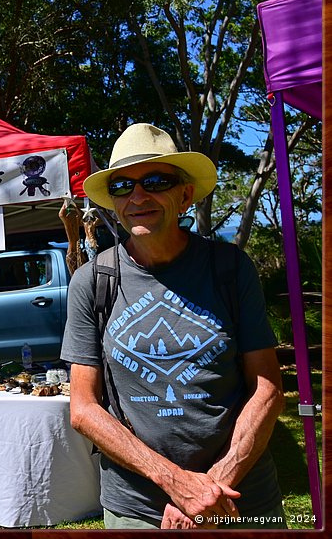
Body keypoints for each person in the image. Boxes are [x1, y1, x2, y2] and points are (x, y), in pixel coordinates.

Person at [61, 123, 285, 530]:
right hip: (140, 509)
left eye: (155, 180)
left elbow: (267, 387)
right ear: (112, 202)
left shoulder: (230, 269)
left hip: (240, 499)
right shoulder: (93, 282)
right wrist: (178, 484)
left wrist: (212, 488)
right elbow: (84, 409)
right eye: (122, 186)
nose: (137, 196)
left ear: (184, 195)